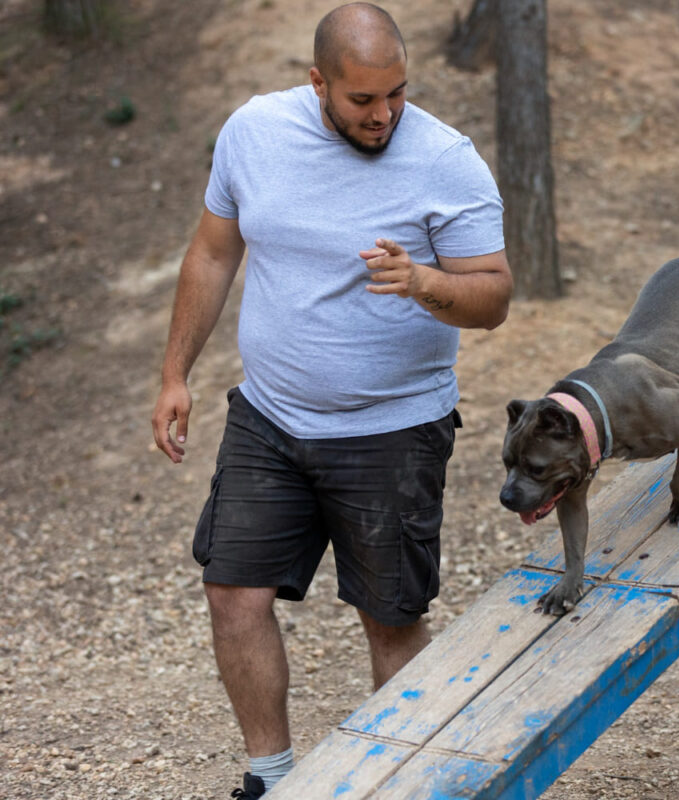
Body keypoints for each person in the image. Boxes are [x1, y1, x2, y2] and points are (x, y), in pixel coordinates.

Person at [150, 4, 511, 797]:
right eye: (362, 101)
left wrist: (424, 282)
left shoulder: (446, 159)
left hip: (394, 429)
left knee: (390, 619)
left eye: (398, 94)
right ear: (318, 83)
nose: (384, 115)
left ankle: (407, 783)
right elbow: (214, 251)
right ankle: (271, 778)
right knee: (232, 594)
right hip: (270, 415)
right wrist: (176, 373)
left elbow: (493, 298)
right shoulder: (254, 132)